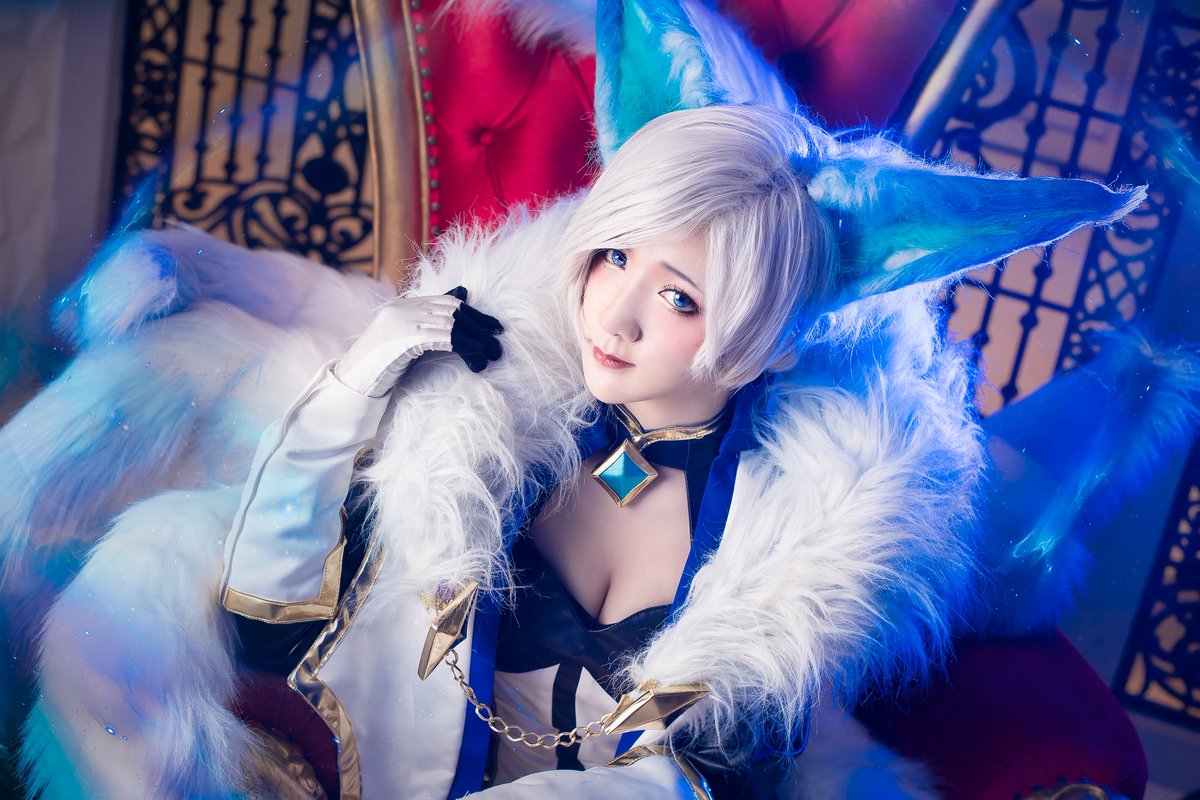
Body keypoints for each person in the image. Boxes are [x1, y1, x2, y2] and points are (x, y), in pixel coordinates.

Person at [6, 2, 1144, 797]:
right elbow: (292, 579)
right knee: (123, 607)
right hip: (372, 721)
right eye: (613, 257)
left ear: (758, 340)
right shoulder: (502, 398)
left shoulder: (780, 563)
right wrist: (361, 368)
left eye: (680, 296)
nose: (617, 314)